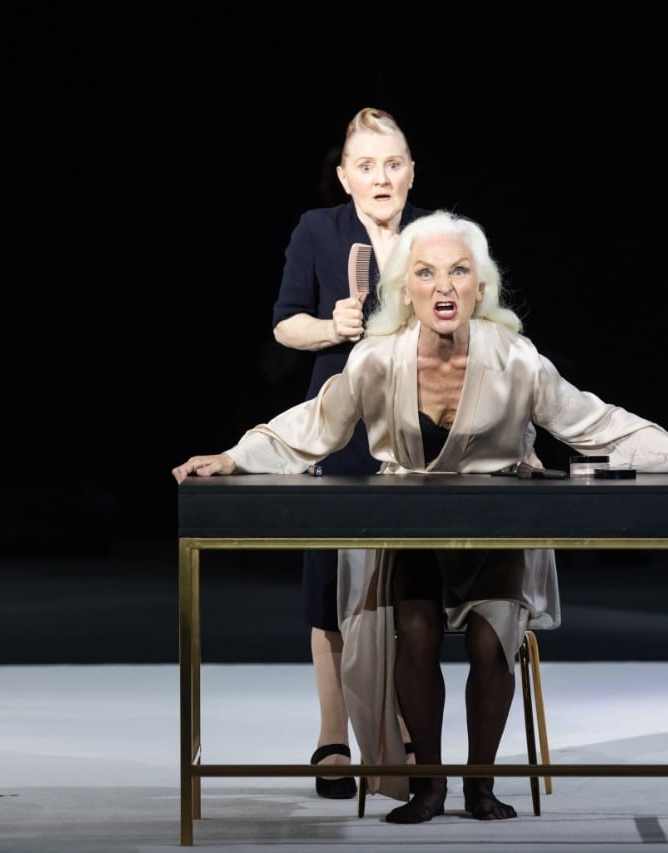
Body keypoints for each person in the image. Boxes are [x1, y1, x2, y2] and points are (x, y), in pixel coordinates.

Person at [172, 210, 668, 824]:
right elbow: (311, 427)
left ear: (481, 286)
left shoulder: (516, 358)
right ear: (404, 289)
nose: (443, 287)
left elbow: (593, 420)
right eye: (425, 272)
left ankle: (481, 782)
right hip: (411, 532)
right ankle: (429, 784)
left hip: (494, 530)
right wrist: (231, 457)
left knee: (490, 635)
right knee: (416, 630)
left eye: (458, 271)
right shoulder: (376, 359)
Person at [268, 107, 429, 799]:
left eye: (392, 163)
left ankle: (401, 725)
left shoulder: (435, 233)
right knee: (330, 585)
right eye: (366, 165)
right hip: (338, 427)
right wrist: (330, 324)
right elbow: (284, 323)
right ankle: (334, 735)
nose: (381, 176)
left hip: (418, 427)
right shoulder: (318, 230)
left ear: (411, 170)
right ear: (345, 176)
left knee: (406, 582)